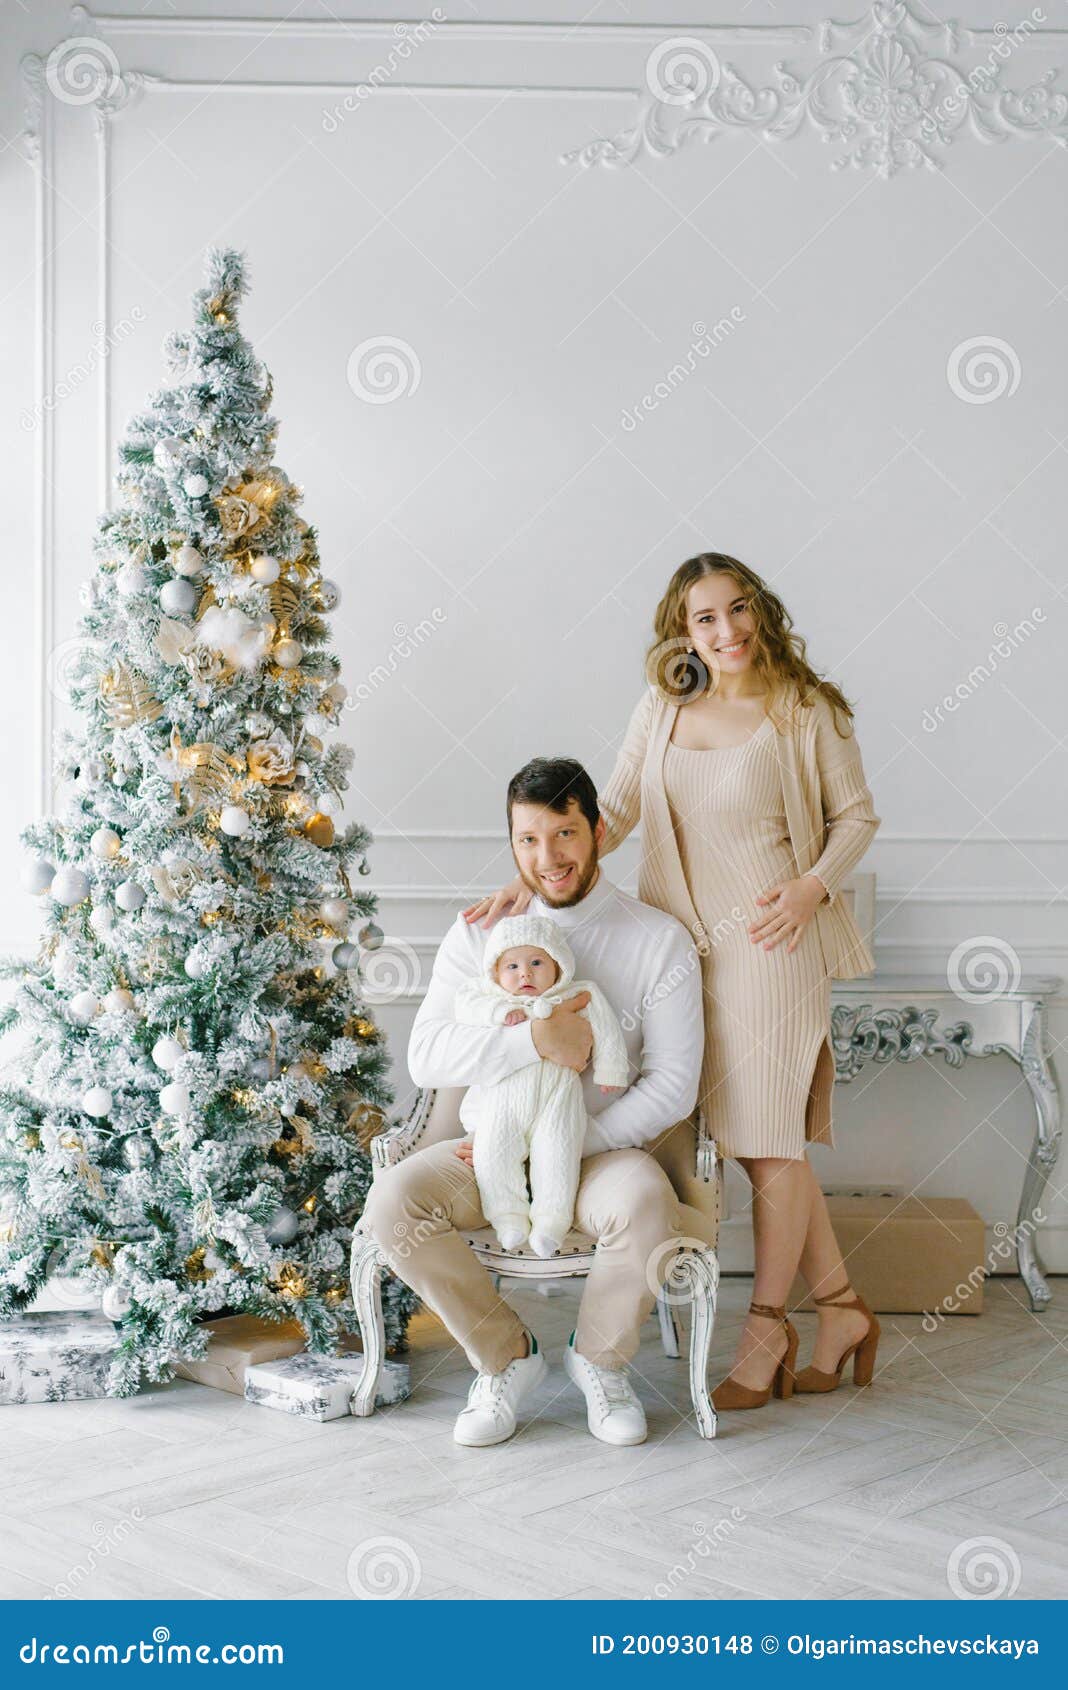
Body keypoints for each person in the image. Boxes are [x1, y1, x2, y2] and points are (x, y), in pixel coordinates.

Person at [466, 552, 882, 1411]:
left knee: (770, 1142)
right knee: (757, 1140)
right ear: (681, 630)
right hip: (677, 947)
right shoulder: (663, 703)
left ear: (760, 610)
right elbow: (609, 812)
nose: (725, 632)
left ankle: (767, 1331)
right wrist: (534, 874)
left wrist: (810, 888)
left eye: (737, 610)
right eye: (704, 618)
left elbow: (856, 818)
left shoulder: (807, 710)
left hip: (771, 946)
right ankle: (842, 1311)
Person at [359, 757, 712, 1448]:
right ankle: (506, 1360)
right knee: (391, 1205)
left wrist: (571, 1140)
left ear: (599, 831)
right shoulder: (480, 933)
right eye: (527, 839)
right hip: (485, 1144)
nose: (547, 858)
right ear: (512, 841)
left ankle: (599, 1363)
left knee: (645, 1201)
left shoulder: (657, 939)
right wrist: (537, 1042)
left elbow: (674, 1084)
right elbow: (429, 1054)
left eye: (564, 834)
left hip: (601, 1151)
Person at [453, 913, 629, 1258]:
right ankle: (508, 1217)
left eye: (536, 962)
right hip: (503, 1100)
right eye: (512, 966)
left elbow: (607, 1030)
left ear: (557, 965)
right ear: (495, 973)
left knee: (558, 1155)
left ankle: (551, 1223)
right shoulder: (493, 998)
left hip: (558, 1099)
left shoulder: (579, 994)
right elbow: (466, 1006)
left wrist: (611, 1070)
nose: (525, 974)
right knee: (492, 1155)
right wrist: (499, 1015)